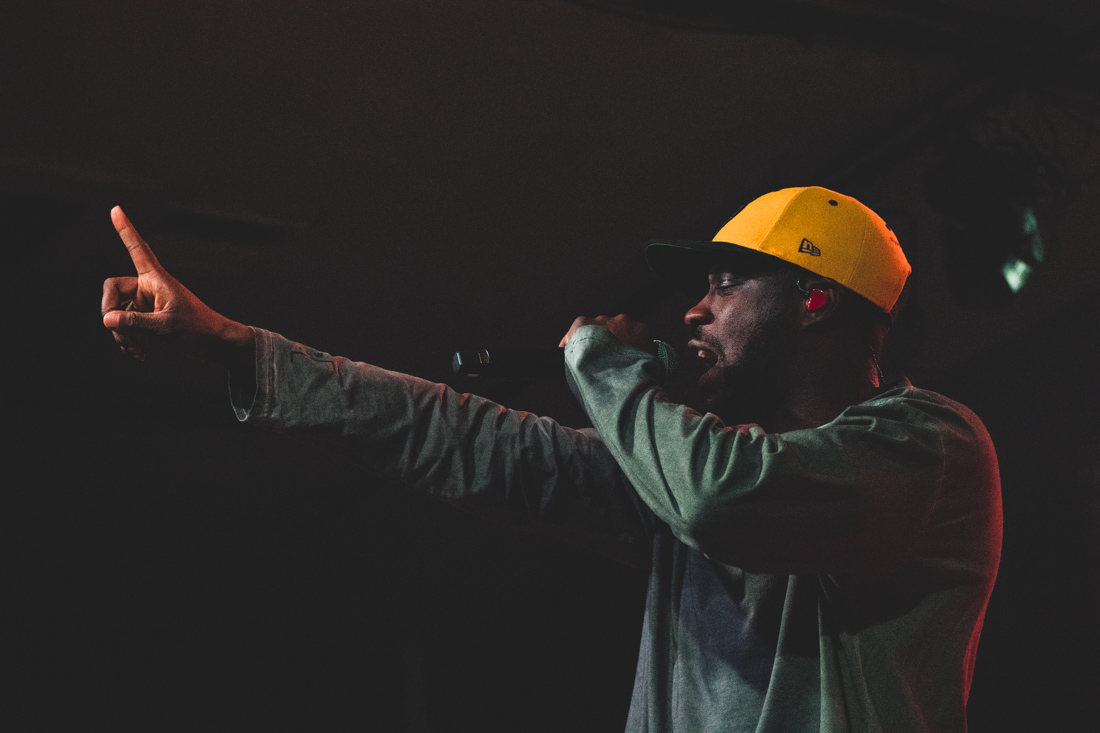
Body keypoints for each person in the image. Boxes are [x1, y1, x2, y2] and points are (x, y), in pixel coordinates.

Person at [102, 186, 1002, 732]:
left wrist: (601, 367)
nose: (694, 310)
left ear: (813, 300)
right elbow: (469, 440)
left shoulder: (929, 445)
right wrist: (237, 348)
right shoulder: (684, 462)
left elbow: (725, 498)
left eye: (726, 283)